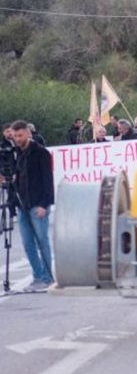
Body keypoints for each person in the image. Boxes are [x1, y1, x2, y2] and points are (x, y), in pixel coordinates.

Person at [11, 120, 54, 292]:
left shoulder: (40, 152)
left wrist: (44, 204)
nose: (17, 139)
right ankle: (37, 275)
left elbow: (48, 180)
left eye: (20, 135)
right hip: (23, 205)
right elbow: (18, 179)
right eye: (15, 136)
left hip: (38, 204)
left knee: (42, 242)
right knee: (28, 244)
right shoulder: (19, 154)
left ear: (28, 133)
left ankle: (47, 277)